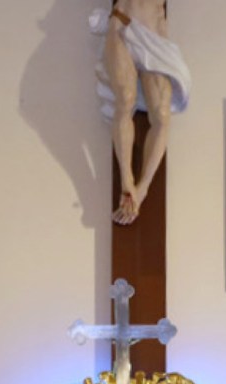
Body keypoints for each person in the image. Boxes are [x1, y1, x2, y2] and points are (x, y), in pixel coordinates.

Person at [90, 1, 190, 225]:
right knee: (125, 99)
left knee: (162, 114)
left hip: (154, 35)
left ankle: (142, 188)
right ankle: (127, 180)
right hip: (122, 26)